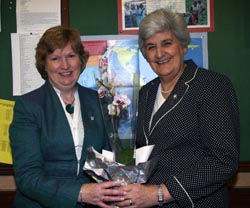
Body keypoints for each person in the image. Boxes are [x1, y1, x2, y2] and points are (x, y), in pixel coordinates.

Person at [117, 8, 240, 208]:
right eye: (150, 47)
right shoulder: (147, 92)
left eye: (167, 43)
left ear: (183, 46)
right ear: (145, 54)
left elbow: (223, 160)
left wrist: (160, 193)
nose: (159, 54)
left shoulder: (211, 85)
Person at [9, 25, 126, 208]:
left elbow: (105, 158)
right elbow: (27, 177)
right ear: (45, 65)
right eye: (55, 58)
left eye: (71, 56)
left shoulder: (97, 101)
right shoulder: (29, 106)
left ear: (81, 60)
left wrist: (122, 178)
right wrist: (79, 193)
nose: (65, 65)